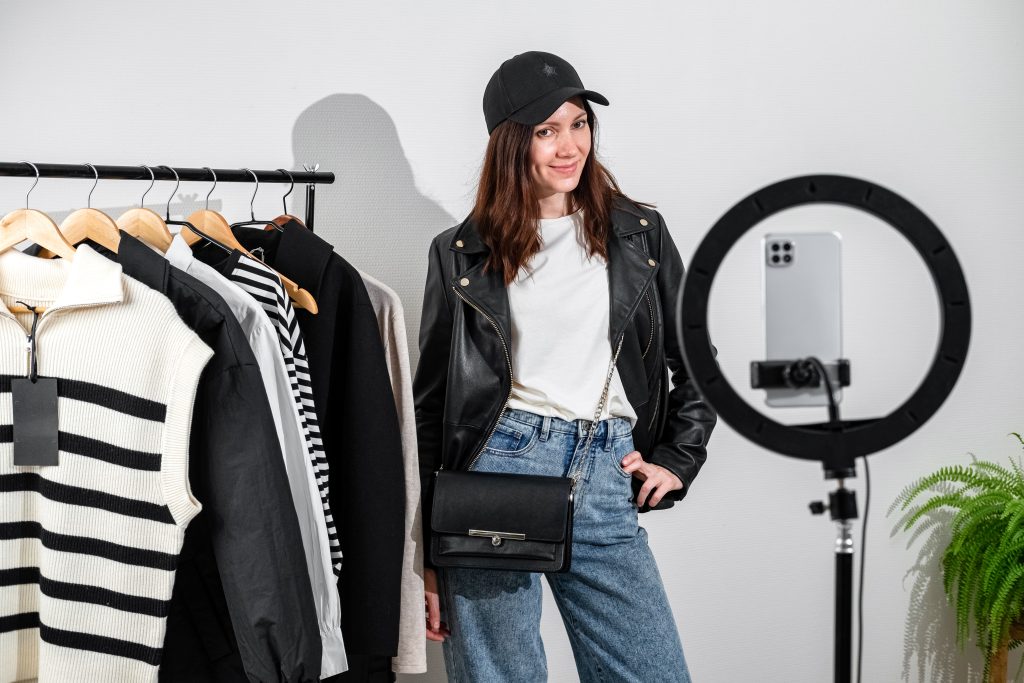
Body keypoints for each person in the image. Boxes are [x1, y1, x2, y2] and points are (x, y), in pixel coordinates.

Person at [413, 50, 717, 682]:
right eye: (547, 131)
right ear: (511, 143)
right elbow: (432, 407)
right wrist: (428, 553)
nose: (568, 146)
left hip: (608, 469)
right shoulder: (462, 253)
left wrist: (678, 457)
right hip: (497, 467)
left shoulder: (640, 235)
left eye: (578, 124)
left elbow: (697, 359)